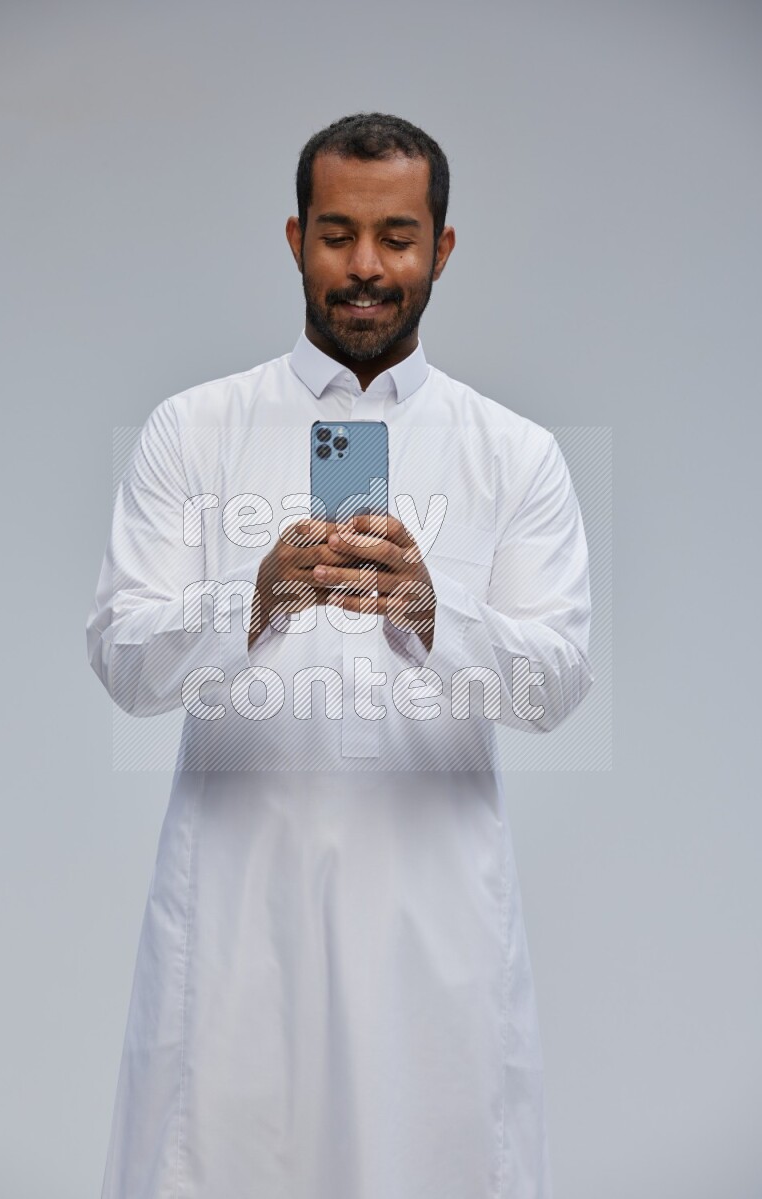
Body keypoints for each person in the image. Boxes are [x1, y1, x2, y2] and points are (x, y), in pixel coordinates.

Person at [86, 112, 593, 1199]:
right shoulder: (194, 429)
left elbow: (555, 681)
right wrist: (250, 603)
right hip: (235, 919)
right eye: (336, 234)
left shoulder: (514, 454)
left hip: (432, 922)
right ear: (293, 237)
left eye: (397, 236)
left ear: (441, 248)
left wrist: (433, 614)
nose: (365, 267)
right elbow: (125, 660)